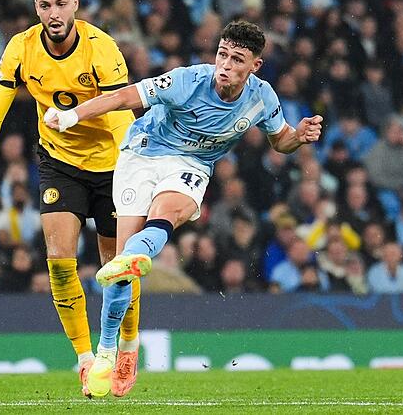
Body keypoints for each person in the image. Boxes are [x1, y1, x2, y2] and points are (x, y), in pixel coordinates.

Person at [45, 20, 323, 397]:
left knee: (165, 217)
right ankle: (116, 348)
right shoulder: (188, 80)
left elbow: (280, 141)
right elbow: (125, 97)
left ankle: (114, 341)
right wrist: (73, 115)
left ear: (254, 66)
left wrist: (299, 137)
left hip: (190, 166)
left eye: (237, 59)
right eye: (222, 54)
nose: (225, 64)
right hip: (140, 154)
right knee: (120, 271)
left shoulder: (263, 97)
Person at [0, 0, 140, 398]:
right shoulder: (21, 48)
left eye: (60, 3)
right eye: (44, 5)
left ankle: (127, 347)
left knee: (115, 264)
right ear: (35, 8)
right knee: (58, 255)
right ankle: (86, 359)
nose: (53, 13)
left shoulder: (102, 48)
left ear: (75, 4)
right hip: (59, 162)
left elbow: (122, 114)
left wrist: (136, 174)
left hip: (113, 165)